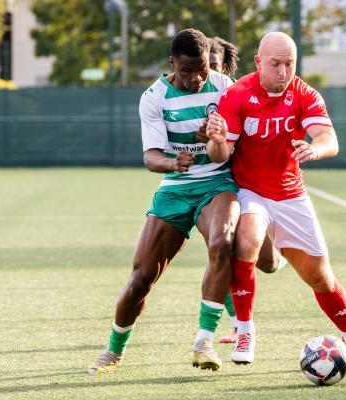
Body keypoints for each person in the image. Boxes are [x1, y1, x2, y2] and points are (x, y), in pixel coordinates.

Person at [205, 31, 346, 371]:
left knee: (320, 278)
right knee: (246, 239)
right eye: (275, 64)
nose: (283, 72)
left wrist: (315, 149)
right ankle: (244, 331)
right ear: (259, 63)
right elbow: (220, 154)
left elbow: (328, 138)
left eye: (290, 64)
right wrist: (215, 141)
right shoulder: (238, 94)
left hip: (291, 195)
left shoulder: (303, 94)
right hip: (250, 190)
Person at [88, 28, 238, 374]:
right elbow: (151, 157)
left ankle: (204, 343)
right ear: (172, 63)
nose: (197, 77)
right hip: (174, 188)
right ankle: (114, 349)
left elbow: (233, 148)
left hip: (217, 184)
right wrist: (173, 161)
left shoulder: (225, 88)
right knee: (141, 279)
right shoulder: (154, 97)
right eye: (187, 70)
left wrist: (215, 139)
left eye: (202, 68)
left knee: (222, 241)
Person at [205, 35, 285, 345]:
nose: (208, 73)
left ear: (226, 68)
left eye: (215, 66)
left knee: (267, 263)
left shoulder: (240, 96)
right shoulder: (196, 96)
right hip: (217, 190)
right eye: (204, 66)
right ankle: (242, 326)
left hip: (250, 188)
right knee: (221, 252)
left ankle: (282, 250)